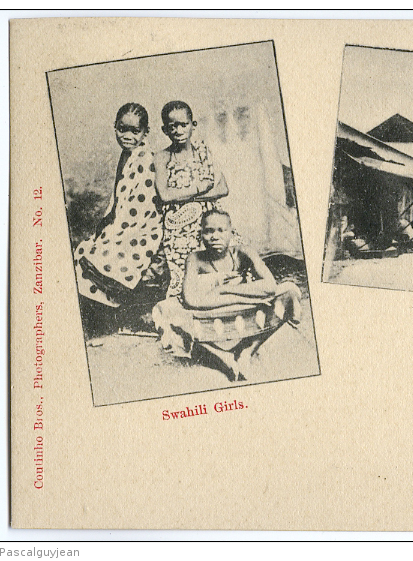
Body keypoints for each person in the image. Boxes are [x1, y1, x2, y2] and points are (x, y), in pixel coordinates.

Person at [153, 209, 303, 380]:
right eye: (209, 231)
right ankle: (220, 356)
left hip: (243, 312)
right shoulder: (194, 258)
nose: (214, 236)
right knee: (165, 311)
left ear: (231, 233)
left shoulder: (243, 252)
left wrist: (223, 290)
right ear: (201, 234)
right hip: (209, 315)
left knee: (289, 293)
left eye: (220, 230)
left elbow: (270, 286)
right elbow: (190, 299)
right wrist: (248, 294)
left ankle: (247, 350)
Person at [73, 103, 168, 317]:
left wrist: (116, 228)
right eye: (122, 129)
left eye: (135, 131)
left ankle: (114, 313)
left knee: (101, 253)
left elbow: (140, 206)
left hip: (143, 227)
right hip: (125, 221)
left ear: (145, 133)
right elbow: (120, 200)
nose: (127, 136)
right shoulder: (127, 156)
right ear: (115, 127)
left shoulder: (144, 158)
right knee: (86, 248)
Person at [154, 100, 230, 299]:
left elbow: (222, 188)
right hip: (177, 224)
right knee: (186, 269)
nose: (178, 130)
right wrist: (199, 188)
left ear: (193, 125)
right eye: (173, 126)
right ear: (165, 130)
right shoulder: (162, 157)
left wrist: (185, 196)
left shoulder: (203, 151)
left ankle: (224, 294)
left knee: (226, 253)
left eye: (183, 124)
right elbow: (164, 195)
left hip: (210, 217)